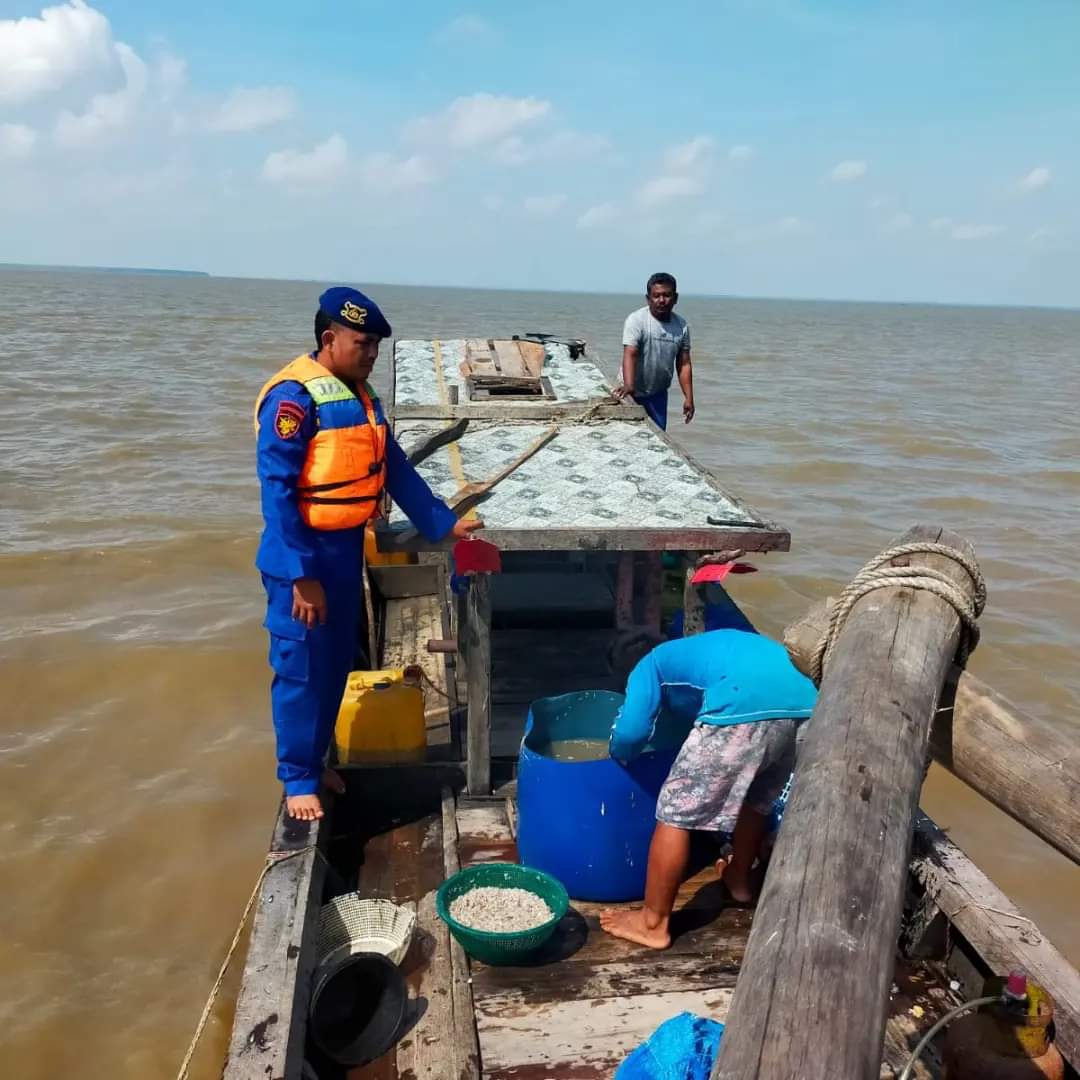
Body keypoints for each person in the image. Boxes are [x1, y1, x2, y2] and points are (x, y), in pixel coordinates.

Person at [254, 286, 482, 822]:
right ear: (329, 339)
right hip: (303, 556)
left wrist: (443, 524)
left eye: (377, 345)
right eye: (363, 343)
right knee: (300, 669)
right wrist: (300, 575)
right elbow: (278, 493)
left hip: (347, 550)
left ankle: (315, 761)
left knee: (334, 664)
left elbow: (394, 467)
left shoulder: (359, 394)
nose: (372, 353)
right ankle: (297, 778)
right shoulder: (294, 399)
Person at [600, 629, 817, 949]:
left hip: (743, 706)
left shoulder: (648, 664)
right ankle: (739, 879)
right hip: (808, 707)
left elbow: (632, 732)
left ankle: (652, 923)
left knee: (675, 810)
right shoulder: (701, 648)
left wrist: (618, 754)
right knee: (757, 798)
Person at [614, 272, 695, 430]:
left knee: (657, 439)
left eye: (667, 295)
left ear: (676, 298)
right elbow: (630, 353)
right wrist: (629, 386)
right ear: (648, 298)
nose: (662, 300)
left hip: (658, 394)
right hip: (630, 392)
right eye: (656, 296)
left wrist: (689, 398)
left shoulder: (681, 326)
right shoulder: (636, 320)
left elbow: (684, 364)